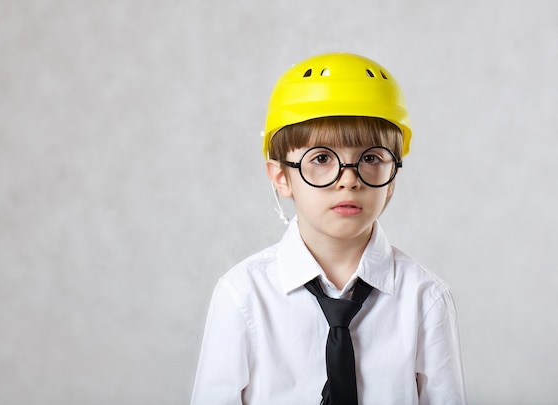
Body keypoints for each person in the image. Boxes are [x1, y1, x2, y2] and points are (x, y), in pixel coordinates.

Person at [190, 53, 467, 404]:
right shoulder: (243, 295)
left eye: (371, 158)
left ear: (393, 175)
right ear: (281, 177)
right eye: (321, 159)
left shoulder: (425, 298)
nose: (348, 180)